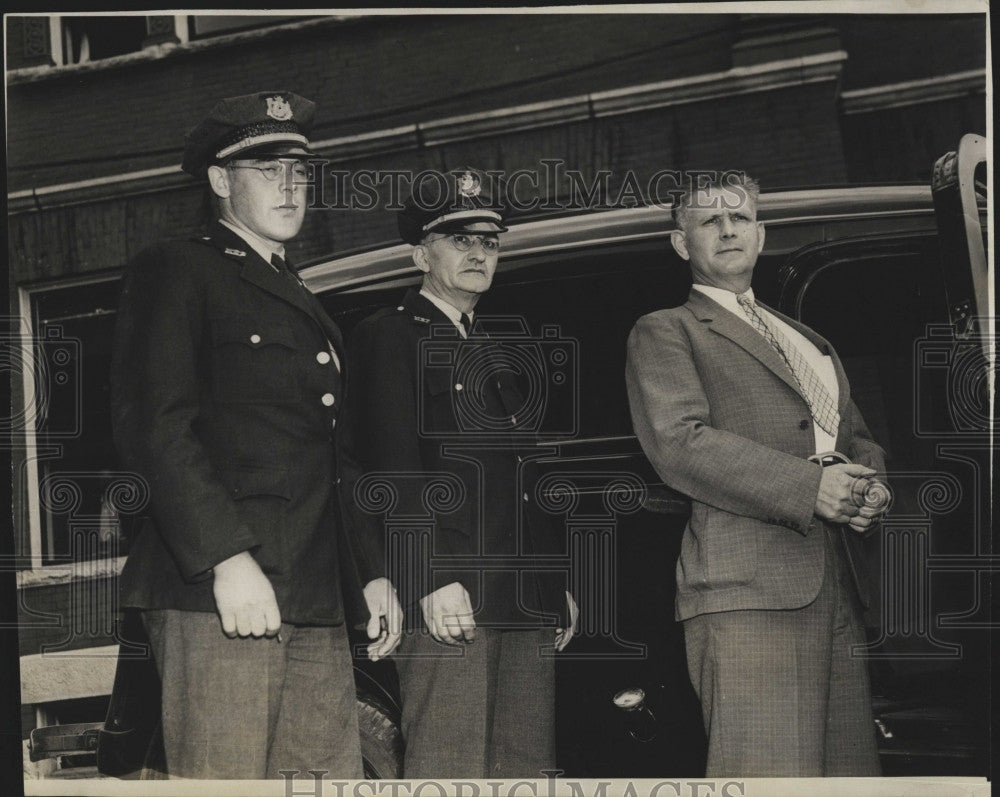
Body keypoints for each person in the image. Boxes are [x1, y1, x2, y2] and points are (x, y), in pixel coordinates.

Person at [109, 90, 401, 780]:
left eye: (299, 172)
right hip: (221, 596)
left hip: (312, 593)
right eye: (268, 170)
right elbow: (154, 425)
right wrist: (225, 560)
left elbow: (332, 455)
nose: (290, 187)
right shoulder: (178, 269)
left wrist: (371, 571)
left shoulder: (297, 295)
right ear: (219, 180)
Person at [625, 172, 886, 777]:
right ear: (680, 243)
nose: (727, 229)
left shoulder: (807, 340)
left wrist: (871, 486)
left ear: (761, 235)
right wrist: (808, 487)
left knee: (852, 784)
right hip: (748, 596)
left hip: (835, 586)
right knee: (769, 779)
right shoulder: (667, 330)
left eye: (739, 218)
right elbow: (679, 442)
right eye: (708, 220)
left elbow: (858, 439)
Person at [338, 168, 578, 778]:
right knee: (452, 766)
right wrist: (426, 578)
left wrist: (553, 580)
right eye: (460, 240)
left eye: (490, 242)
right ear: (421, 253)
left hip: (519, 594)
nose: (479, 253)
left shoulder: (497, 343)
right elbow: (392, 468)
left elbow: (521, 476)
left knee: (526, 770)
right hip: (451, 594)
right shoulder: (389, 336)